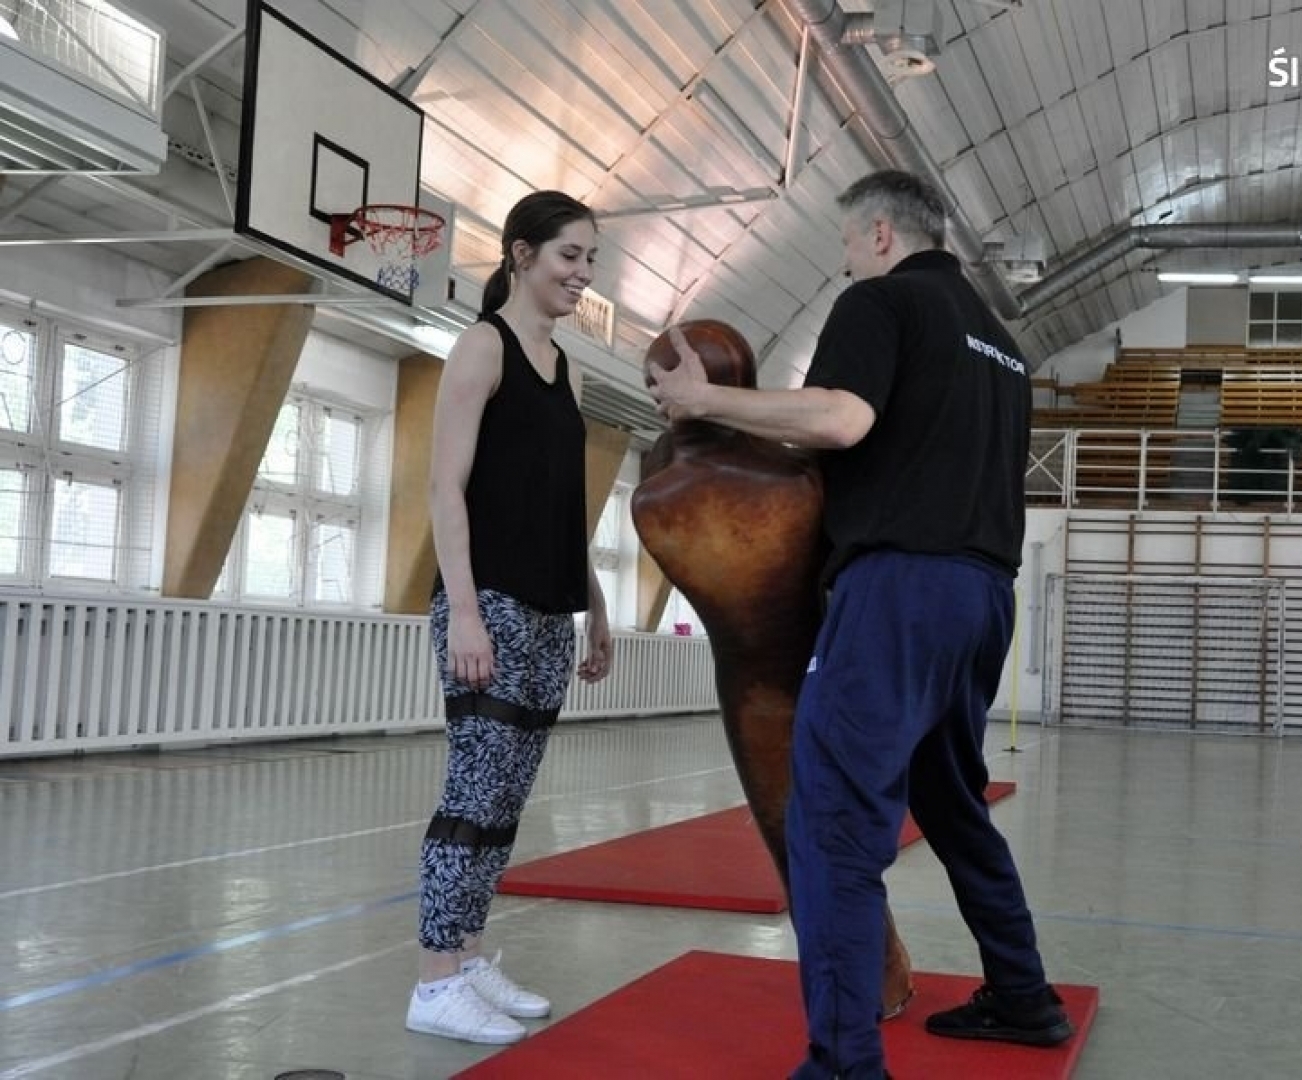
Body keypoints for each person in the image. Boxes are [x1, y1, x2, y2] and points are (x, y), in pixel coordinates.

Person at [647, 170, 1072, 1080]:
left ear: (879, 234)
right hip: (981, 596)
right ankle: (1024, 997)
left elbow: (841, 419)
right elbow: (894, 445)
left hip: (899, 593)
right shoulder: (999, 345)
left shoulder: (882, 304)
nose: (842, 268)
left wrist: (706, 403)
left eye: (844, 248)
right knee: (954, 805)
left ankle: (843, 1063)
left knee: (832, 828)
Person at [406, 190, 614, 1045]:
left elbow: (566, 508)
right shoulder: (480, 347)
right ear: (522, 255)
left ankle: (470, 957)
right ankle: (432, 979)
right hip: (484, 602)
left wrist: (596, 606)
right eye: (569, 256)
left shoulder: (568, 367)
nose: (582, 275)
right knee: (472, 790)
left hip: (546, 609)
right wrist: (463, 612)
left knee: (508, 798)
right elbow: (444, 487)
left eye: (590, 260)